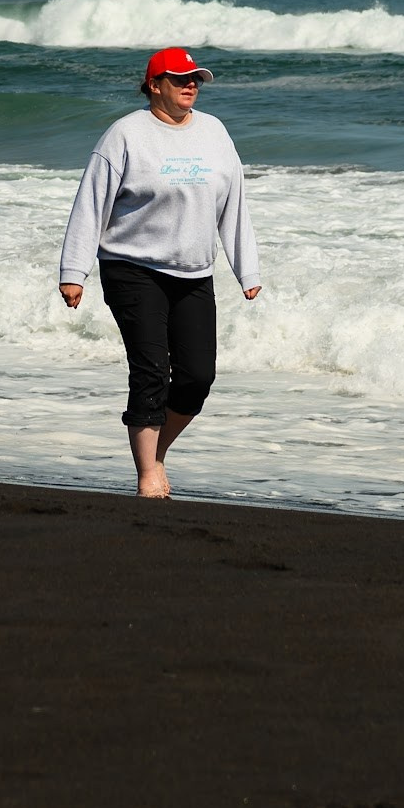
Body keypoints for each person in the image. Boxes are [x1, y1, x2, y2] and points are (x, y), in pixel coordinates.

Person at [58, 45, 262, 498]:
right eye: (180, 78)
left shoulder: (214, 132)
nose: (192, 85)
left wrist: (246, 269)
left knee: (196, 378)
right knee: (151, 371)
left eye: (196, 79)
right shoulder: (126, 134)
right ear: (154, 85)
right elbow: (92, 203)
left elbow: (233, 203)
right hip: (132, 268)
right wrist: (75, 270)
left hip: (193, 272)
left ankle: (157, 452)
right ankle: (147, 473)